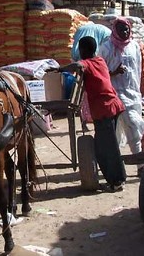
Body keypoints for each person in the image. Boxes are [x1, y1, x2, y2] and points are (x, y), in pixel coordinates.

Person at [58, 36, 126, 191]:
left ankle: (117, 181)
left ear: (83, 50)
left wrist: (60, 69)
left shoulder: (87, 63)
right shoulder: (100, 61)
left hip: (104, 109)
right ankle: (115, 179)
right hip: (112, 106)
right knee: (107, 146)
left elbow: (77, 65)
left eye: (80, 49)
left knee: (107, 148)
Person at [99, 18, 144, 165]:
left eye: (126, 29)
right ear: (115, 30)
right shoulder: (106, 48)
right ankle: (137, 164)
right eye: (121, 29)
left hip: (133, 94)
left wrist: (141, 90)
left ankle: (129, 165)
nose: (124, 32)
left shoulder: (134, 46)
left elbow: (138, 70)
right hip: (115, 95)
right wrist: (114, 72)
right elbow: (100, 72)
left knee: (128, 129)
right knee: (131, 128)